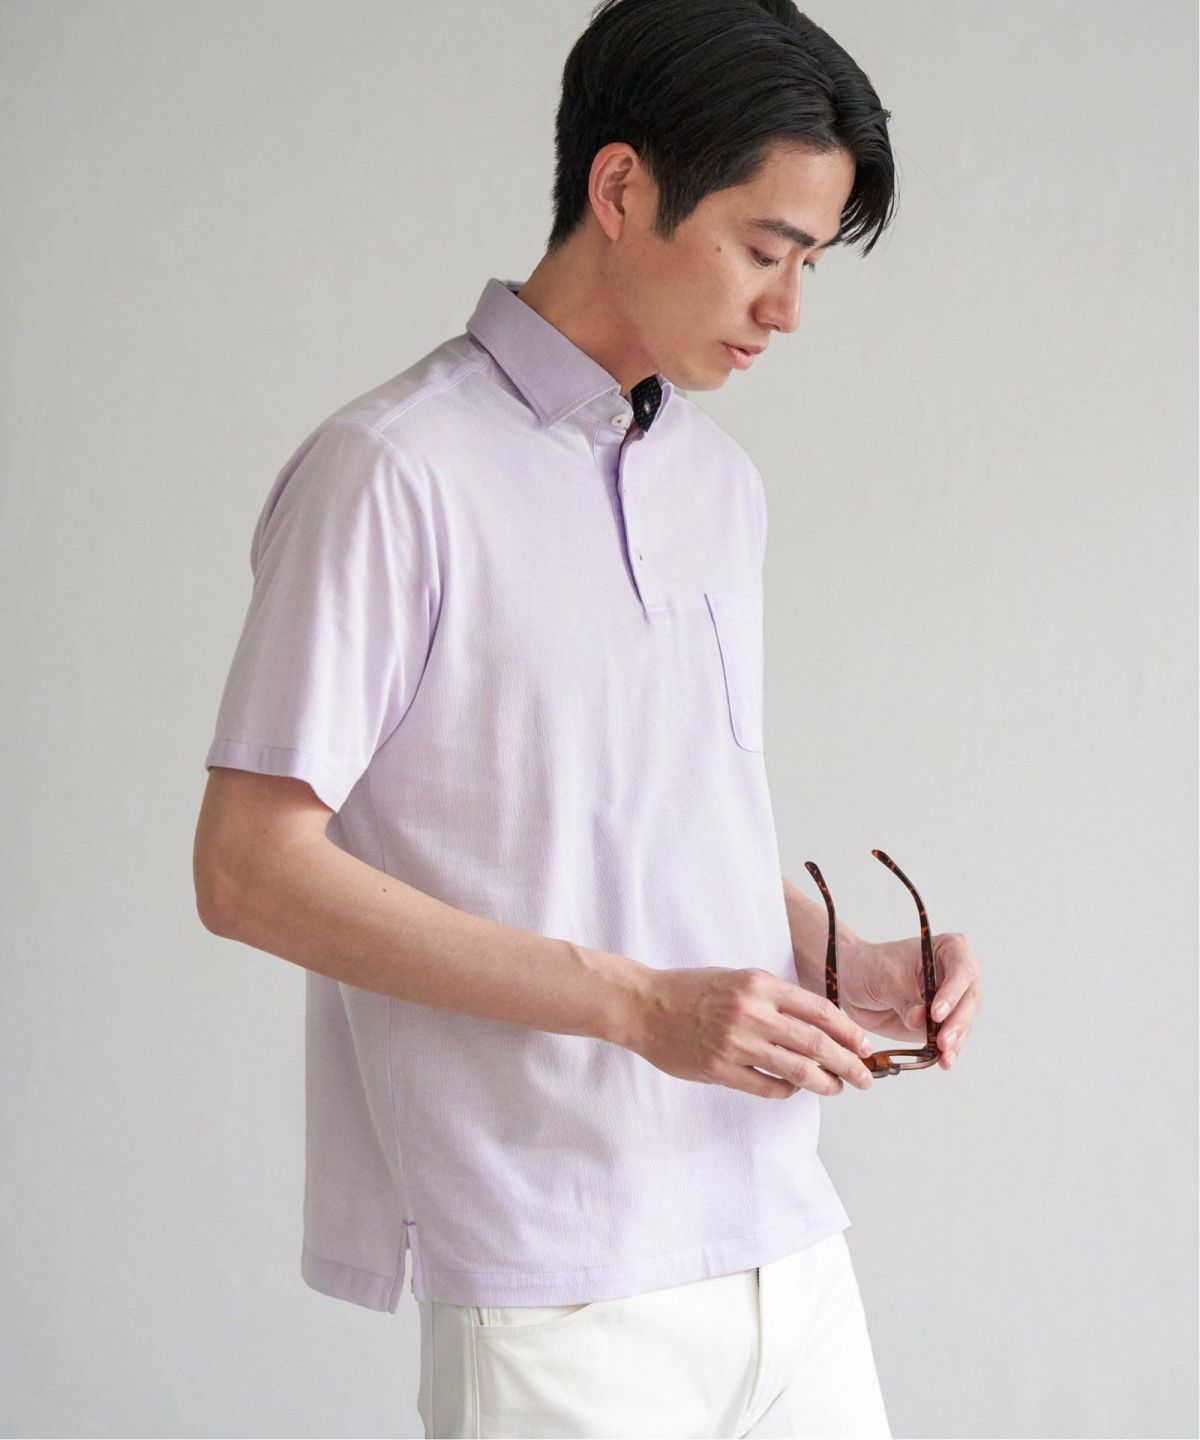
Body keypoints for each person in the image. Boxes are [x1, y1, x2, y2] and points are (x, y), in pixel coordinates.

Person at [193, 0, 983, 1434]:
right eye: (764, 249)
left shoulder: (721, 487)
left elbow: (646, 824)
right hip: (556, 1282)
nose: (788, 310)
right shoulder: (392, 472)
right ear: (620, 188)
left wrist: (840, 959)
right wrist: (640, 1007)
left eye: (810, 264)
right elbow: (248, 873)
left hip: (787, 1243)